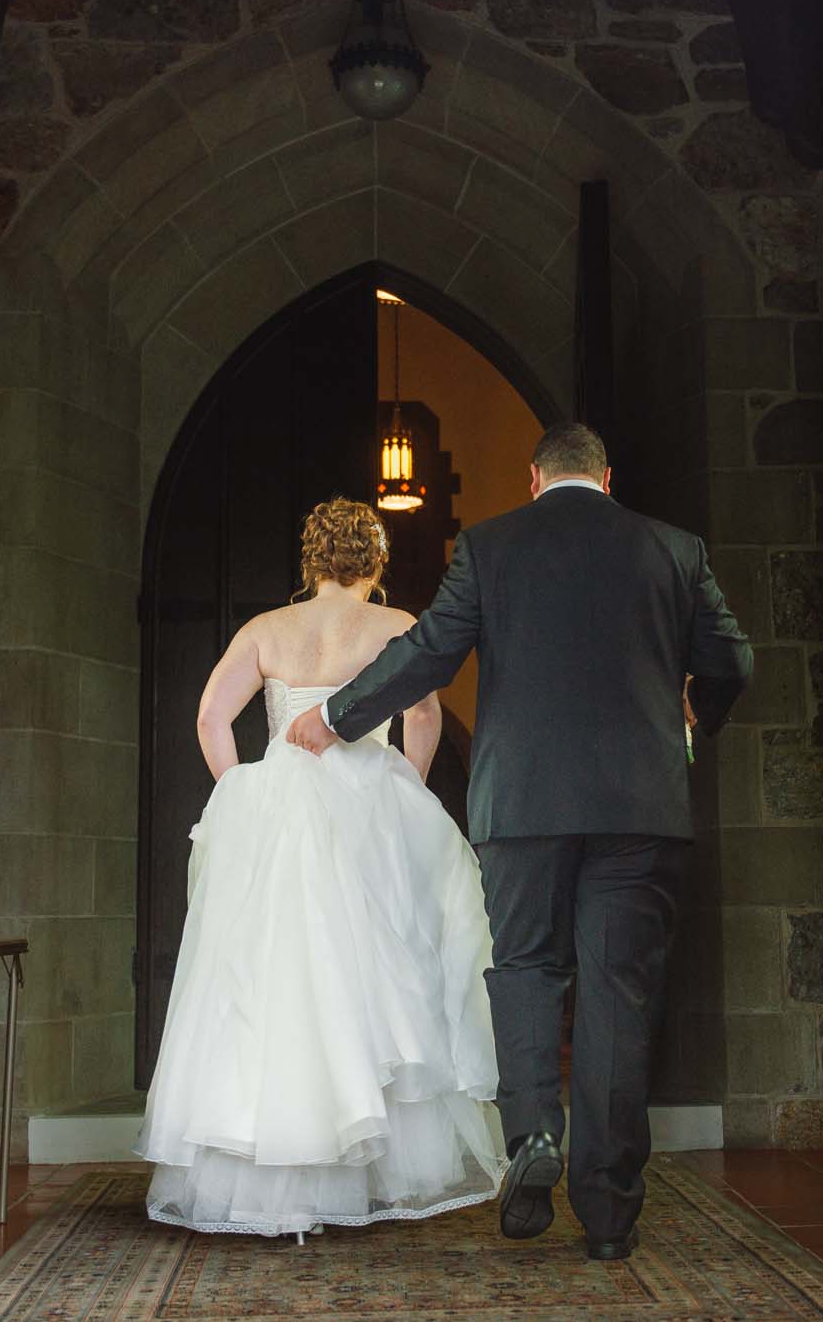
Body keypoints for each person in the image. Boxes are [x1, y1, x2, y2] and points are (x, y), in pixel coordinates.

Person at [288, 422, 752, 1260]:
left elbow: (429, 653)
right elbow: (733, 659)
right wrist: (698, 708)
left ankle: (535, 1136)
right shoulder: (673, 549)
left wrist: (334, 714)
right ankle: (608, 1214)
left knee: (528, 970)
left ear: (534, 478)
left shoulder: (490, 546)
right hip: (638, 810)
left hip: (525, 805)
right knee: (616, 995)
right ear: (606, 477)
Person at [136, 498, 506, 1240]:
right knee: (370, 974)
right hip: (362, 800)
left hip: (277, 806)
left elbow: (212, 716)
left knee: (273, 980)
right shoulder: (394, 626)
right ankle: (368, 1159)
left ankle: (268, 1162)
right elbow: (426, 714)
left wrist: (239, 787)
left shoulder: (267, 629)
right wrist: (404, 783)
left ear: (310, 563)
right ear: (375, 564)